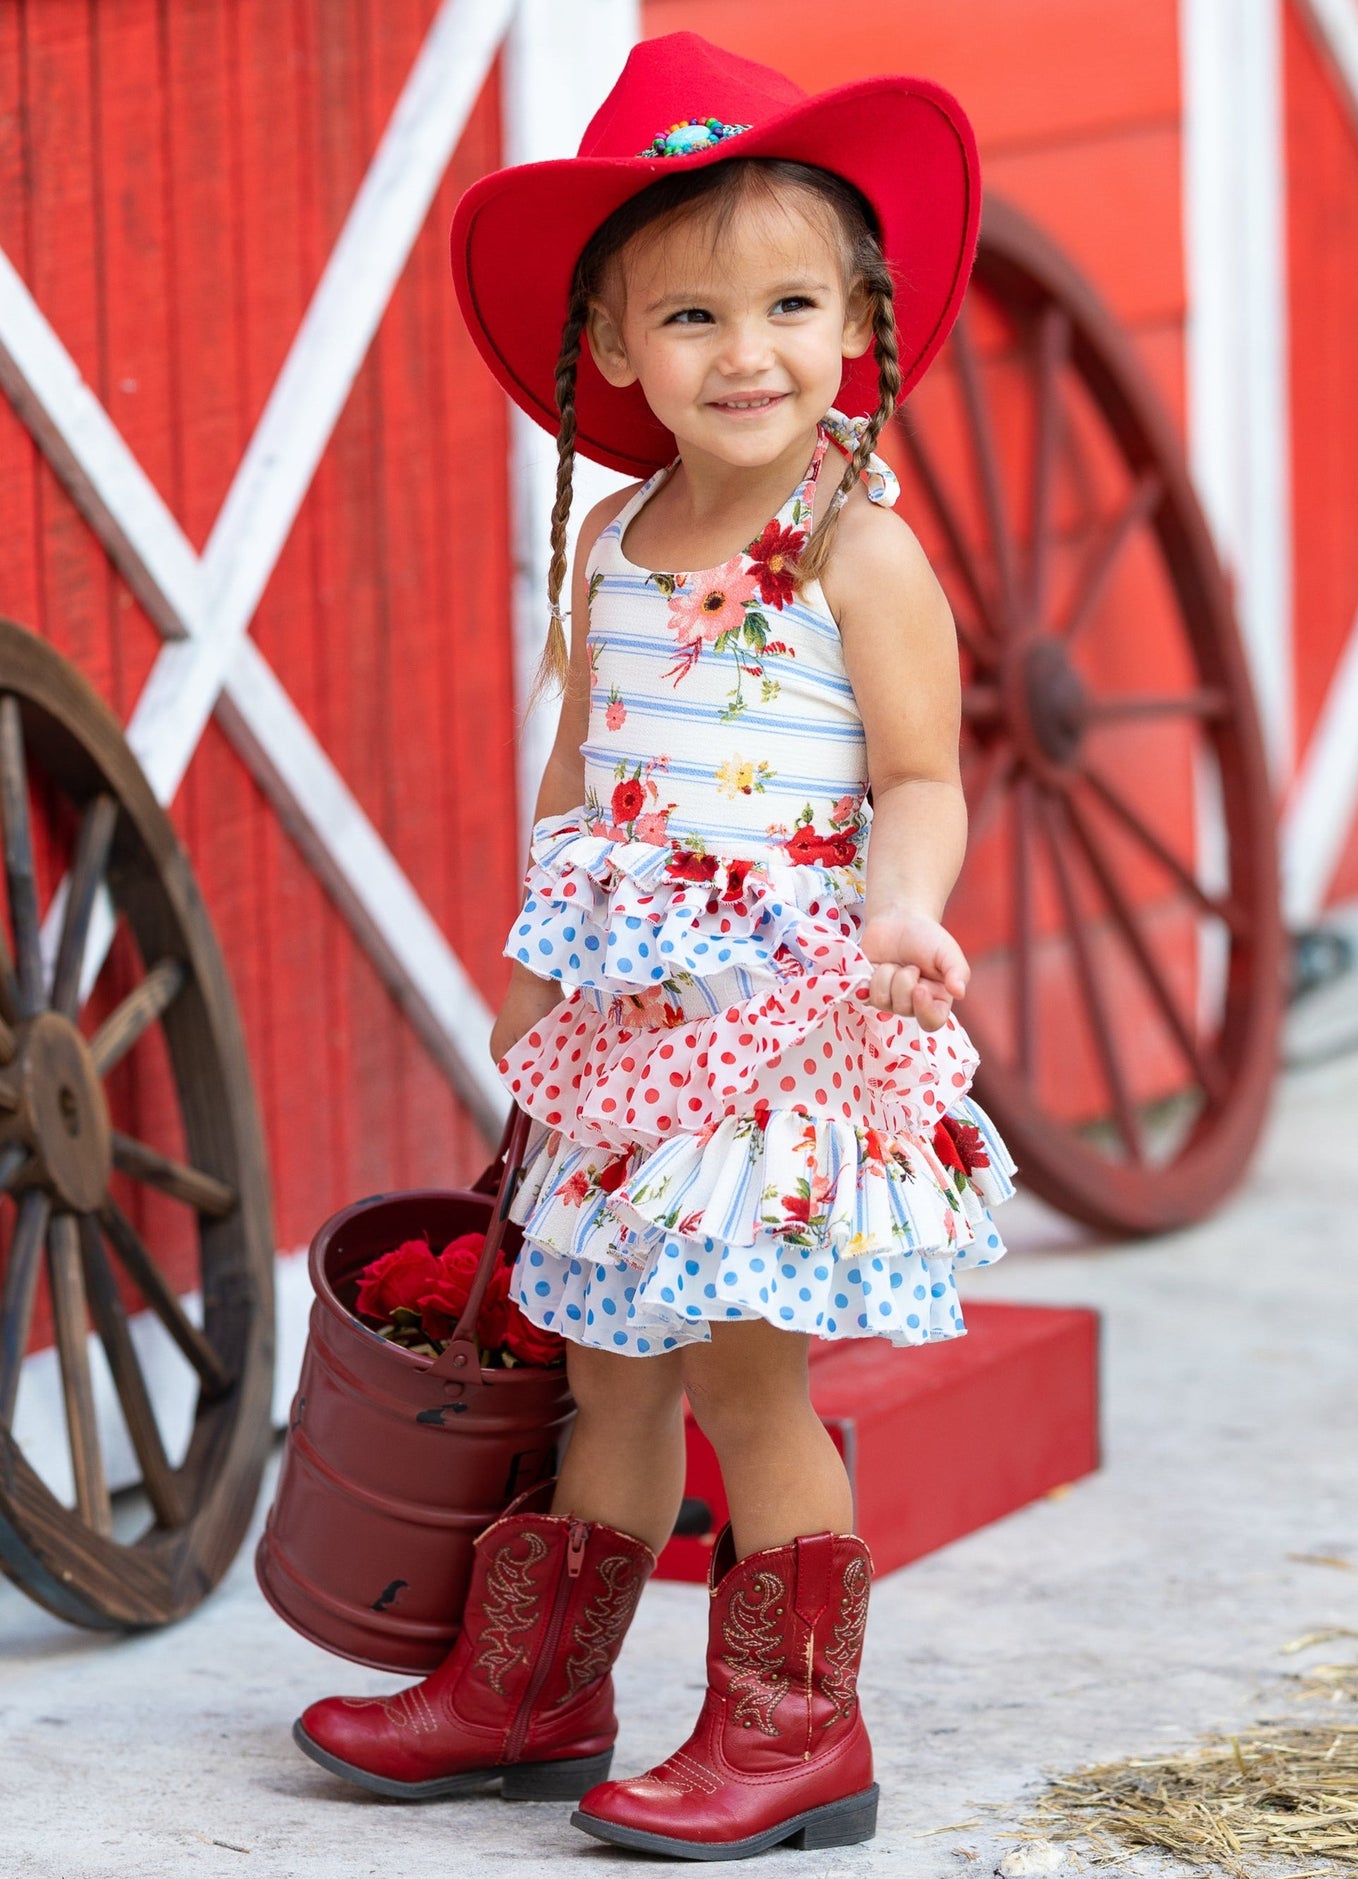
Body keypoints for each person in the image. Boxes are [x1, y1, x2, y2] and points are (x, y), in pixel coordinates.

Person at [293, 30, 1015, 1860]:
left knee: (742, 1375)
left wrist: (904, 907)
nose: (747, 352)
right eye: (691, 318)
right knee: (601, 1354)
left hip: (783, 1030)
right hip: (627, 1041)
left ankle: (797, 1735)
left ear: (858, 322)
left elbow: (925, 775)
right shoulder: (610, 543)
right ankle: (534, 1693)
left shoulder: (857, 550)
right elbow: (577, 779)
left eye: (787, 304)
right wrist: (532, 988)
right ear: (611, 350)